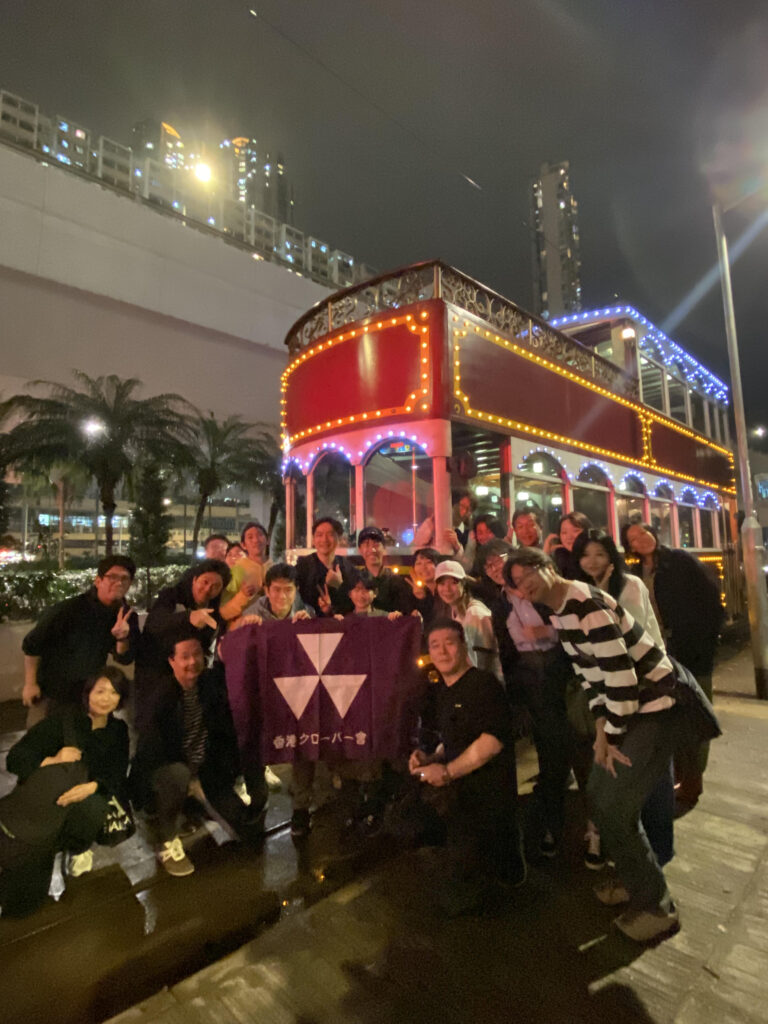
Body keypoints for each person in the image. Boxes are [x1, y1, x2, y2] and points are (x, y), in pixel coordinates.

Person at [507, 546, 683, 943]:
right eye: (516, 582)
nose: (524, 585)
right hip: (628, 712)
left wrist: (611, 734)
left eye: (528, 573)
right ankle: (637, 881)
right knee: (601, 800)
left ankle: (657, 906)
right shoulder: (562, 612)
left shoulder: (585, 603)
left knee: (613, 805)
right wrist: (602, 730)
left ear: (548, 567)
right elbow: (591, 677)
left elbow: (621, 678)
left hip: (655, 707)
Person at [409, 619, 525, 915]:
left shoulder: (484, 685)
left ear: (463, 646)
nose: (442, 651)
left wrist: (447, 772)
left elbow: (492, 741)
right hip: (461, 798)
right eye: (435, 646)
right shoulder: (444, 691)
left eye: (449, 643)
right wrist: (430, 758)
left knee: (471, 892)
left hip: (488, 802)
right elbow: (452, 737)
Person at [573, 529, 674, 868]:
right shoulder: (583, 591)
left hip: (648, 689)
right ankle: (631, 851)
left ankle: (658, 853)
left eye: (599, 554)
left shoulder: (629, 585)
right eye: (585, 555)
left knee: (653, 774)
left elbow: (630, 641)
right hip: (615, 692)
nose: (592, 561)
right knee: (625, 772)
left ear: (612, 557)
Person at [131, 628, 267, 876]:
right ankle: (165, 837)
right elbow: (150, 751)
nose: (192, 661)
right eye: (185, 656)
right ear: (171, 661)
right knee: (178, 776)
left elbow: (231, 669)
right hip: (168, 771)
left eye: (197, 654)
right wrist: (190, 780)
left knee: (250, 837)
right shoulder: (160, 696)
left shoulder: (209, 685)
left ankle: (196, 806)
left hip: (205, 768)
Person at [0, 667, 130, 915]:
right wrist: (53, 760)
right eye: (100, 691)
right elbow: (15, 759)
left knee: (94, 806)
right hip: (45, 803)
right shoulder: (63, 722)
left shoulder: (118, 731)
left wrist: (93, 786)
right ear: (87, 693)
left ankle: (73, 848)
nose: (106, 698)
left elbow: (117, 772)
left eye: (114, 693)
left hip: (82, 803)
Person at [621, 521, 724, 810]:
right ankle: (681, 775)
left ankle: (693, 780)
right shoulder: (636, 572)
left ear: (653, 532)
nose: (641, 540)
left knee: (696, 712)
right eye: (633, 538)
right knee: (672, 714)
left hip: (691, 649)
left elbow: (712, 601)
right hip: (660, 651)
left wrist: (705, 641)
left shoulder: (679, 560)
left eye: (643, 533)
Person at [231, 563, 317, 840]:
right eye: (276, 589)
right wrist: (242, 633)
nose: (282, 596)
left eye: (288, 590)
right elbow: (230, 657)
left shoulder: (306, 613)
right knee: (255, 744)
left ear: (296, 590)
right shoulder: (251, 615)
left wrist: (311, 627)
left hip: (295, 693)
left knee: (304, 745)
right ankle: (258, 801)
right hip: (262, 697)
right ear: (266, 590)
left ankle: (301, 807)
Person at [499, 558, 572, 860]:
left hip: (563, 677)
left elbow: (568, 626)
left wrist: (546, 632)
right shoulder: (501, 605)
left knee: (563, 751)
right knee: (548, 751)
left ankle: (570, 826)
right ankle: (550, 822)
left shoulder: (547, 596)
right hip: (530, 684)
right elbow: (510, 646)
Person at [21, 555, 139, 726]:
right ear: (98, 581)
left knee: (86, 739)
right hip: (51, 692)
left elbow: (124, 658)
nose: (118, 582)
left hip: (88, 694)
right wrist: (30, 684)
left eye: (124, 578)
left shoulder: (127, 616)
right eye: (112, 577)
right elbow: (32, 645)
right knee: (41, 738)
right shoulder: (68, 609)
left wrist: (122, 638)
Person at [135, 559, 231, 697]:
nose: (207, 589)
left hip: (188, 677)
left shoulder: (214, 611)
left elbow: (206, 646)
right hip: (155, 672)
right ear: (194, 579)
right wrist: (188, 617)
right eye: (205, 582)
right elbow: (154, 623)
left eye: (216, 586)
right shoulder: (172, 596)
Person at [434, 561, 502, 681]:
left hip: (486, 683)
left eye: (454, 583)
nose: (447, 589)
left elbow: (478, 661)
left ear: (464, 584)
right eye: (442, 583)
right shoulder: (454, 613)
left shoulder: (474, 614)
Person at [295, 517, 354, 616]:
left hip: (341, 622)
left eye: (330, 534)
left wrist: (339, 586)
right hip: (309, 621)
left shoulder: (346, 566)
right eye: (319, 535)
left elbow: (353, 604)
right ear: (313, 540)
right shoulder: (303, 566)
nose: (324, 539)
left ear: (339, 539)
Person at [219, 521, 273, 622]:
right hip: (245, 626)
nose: (256, 540)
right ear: (243, 545)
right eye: (250, 537)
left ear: (268, 540)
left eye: (260, 535)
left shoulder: (276, 568)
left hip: (273, 625)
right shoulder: (237, 570)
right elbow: (224, 612)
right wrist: (243, 596)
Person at [353, 526, 412, 614]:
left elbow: (406, 611)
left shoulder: (397, 581)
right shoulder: (355, 581)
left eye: (376, 544)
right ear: (360, 550)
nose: (372, 550)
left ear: (384, 549)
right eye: (367, 544)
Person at [544, 512, 591, 579]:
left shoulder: (592, 559)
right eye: (564, 532)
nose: (569, 537)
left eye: (576, 530)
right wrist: (545, 554)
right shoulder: (559, 559)